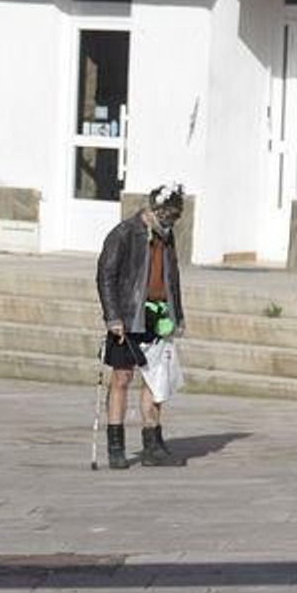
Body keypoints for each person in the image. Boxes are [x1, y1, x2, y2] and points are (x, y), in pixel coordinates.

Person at [96, 182, 187, 469]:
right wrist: (113, 317)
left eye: (175, 218)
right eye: (167, 216)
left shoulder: (166, 237)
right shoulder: (124, 233)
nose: (170, 223)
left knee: (155, 379)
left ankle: (152, 444)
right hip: (127, 316)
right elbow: (106, 276)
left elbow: (172, 277)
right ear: (154, 209)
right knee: (121, 378)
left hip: (157, 317)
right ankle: (115, 445)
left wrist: (177, 315)